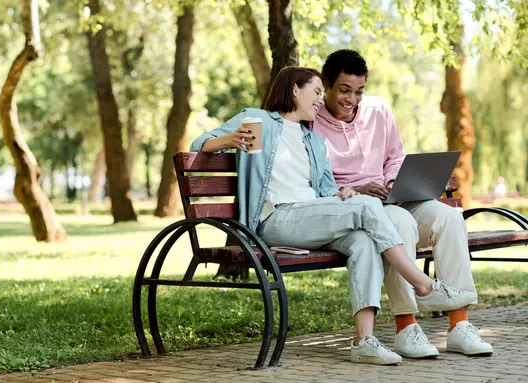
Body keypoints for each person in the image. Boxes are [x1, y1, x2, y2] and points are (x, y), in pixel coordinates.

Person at [191, 66, 477, 365]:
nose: (319, 100)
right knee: (368, 207)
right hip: (274, 219)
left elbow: (326, 190)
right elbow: (200, 144)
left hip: (309, 216)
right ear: (294, 91)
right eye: (315, 92)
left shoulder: (313, 141)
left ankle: (363, 340)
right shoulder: (258, 120)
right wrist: (231, 140)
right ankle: (423, 285)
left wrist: (346, 193)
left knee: (363, 241)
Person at [312, 49, 493, 359]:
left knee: (449, 217)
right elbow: (315, 181)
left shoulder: (378, 110)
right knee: (398, 223)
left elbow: (395, 156)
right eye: (344, 90)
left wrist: (394, 182)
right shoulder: (311, 121)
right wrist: (355, 188)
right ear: (326, 85)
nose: (352, 99)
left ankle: (459, 325)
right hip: (355, 210)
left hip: (392, 197)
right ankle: (406, 327)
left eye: (359, 91)